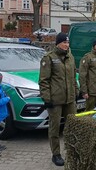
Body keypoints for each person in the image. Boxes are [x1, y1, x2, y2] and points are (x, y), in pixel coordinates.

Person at [39, 32, 78, 167]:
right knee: (54, 128)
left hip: (69, 99)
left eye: (68, 43)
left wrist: (76, 92)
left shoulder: (70, 57)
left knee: (72, 126)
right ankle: (56, 154)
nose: (67, 45)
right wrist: (47, 98)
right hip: (55, 100)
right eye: (64, 42)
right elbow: (44, 81)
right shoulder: (49, 58)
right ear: (58, 43)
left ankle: (72, 151)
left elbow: (73, 76)